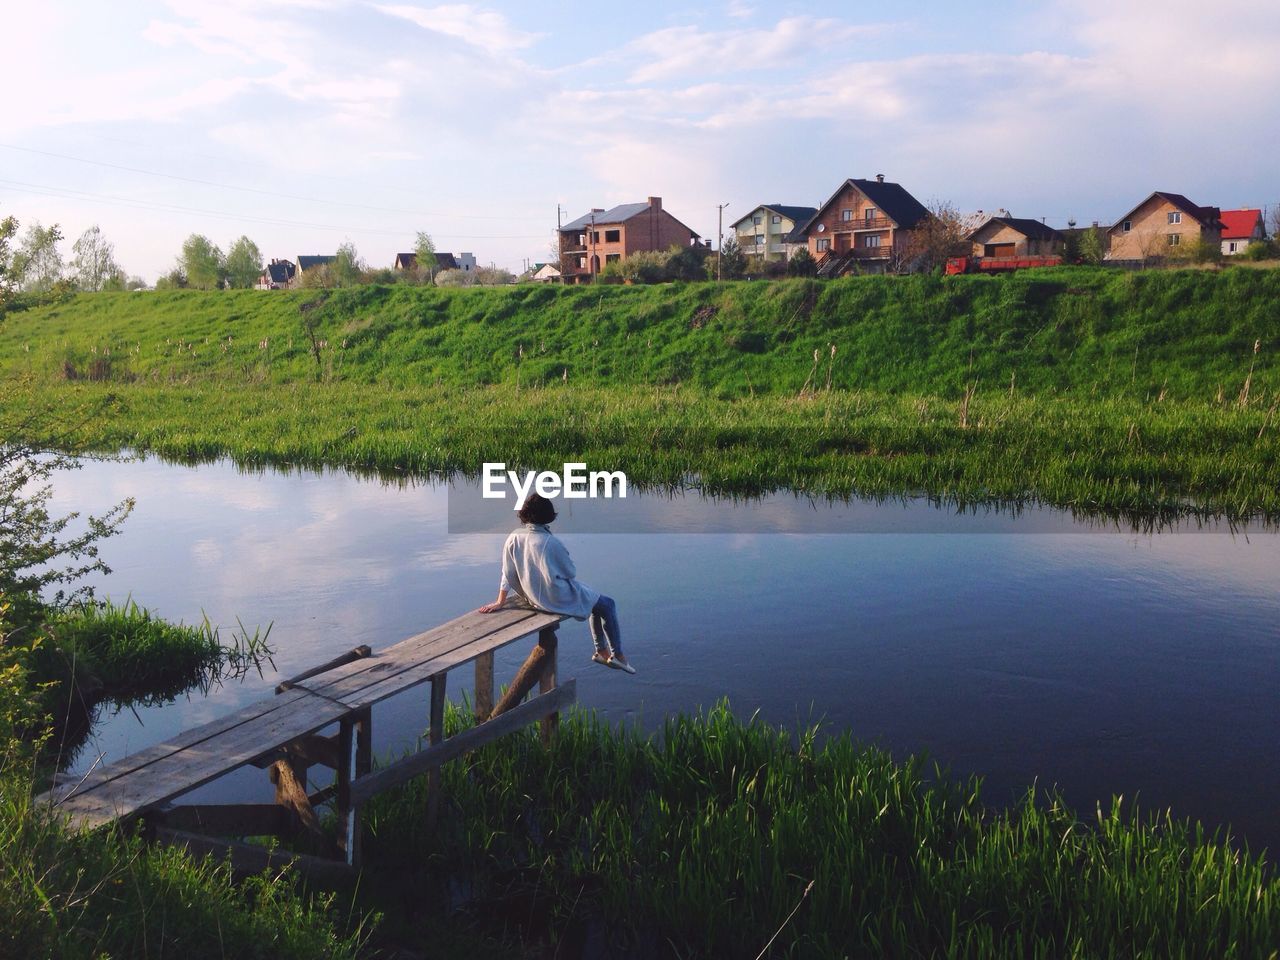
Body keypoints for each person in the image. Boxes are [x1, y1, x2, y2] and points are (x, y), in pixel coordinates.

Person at [477, 493, 635, 674]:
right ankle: (618, 655)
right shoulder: (550, 542)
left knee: (595, 600)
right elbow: (570, 572)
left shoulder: (514, 537)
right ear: (547, 515)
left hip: (533, 596)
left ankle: (601, 651)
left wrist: (500, 601)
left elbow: (507, 572)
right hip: (554, 598)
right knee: (607, 604)